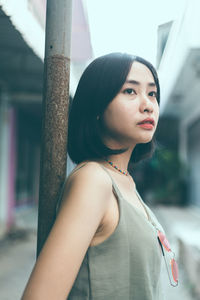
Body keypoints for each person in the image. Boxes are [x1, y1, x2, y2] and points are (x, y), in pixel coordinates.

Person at [21, 52, 178, 300]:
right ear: (97, 107)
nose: (147, 104)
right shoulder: (93, 180)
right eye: (130, 91)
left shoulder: (123, 180)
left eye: (152, 94)